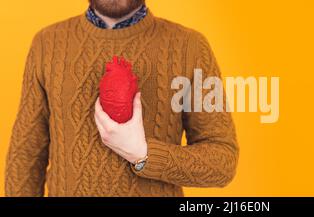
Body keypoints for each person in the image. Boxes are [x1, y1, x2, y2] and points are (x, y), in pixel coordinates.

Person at [5, 0, 239, 197]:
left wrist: (143, 153)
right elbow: (25, 157)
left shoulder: (191, 47)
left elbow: (222, 160)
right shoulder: (47, 45)